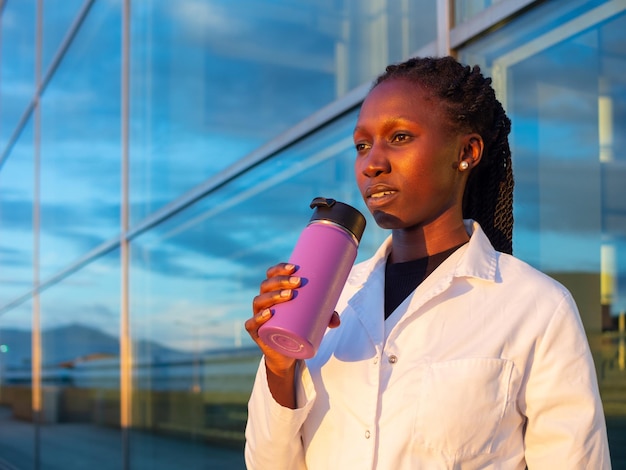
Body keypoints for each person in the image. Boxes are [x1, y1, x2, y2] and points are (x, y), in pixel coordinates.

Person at [243, 56, 611, 469]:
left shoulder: (537, 307)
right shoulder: (331, 300)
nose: (372, 163)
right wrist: (279, 368)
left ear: (467, 152)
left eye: (399, 137)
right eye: (362, 145)